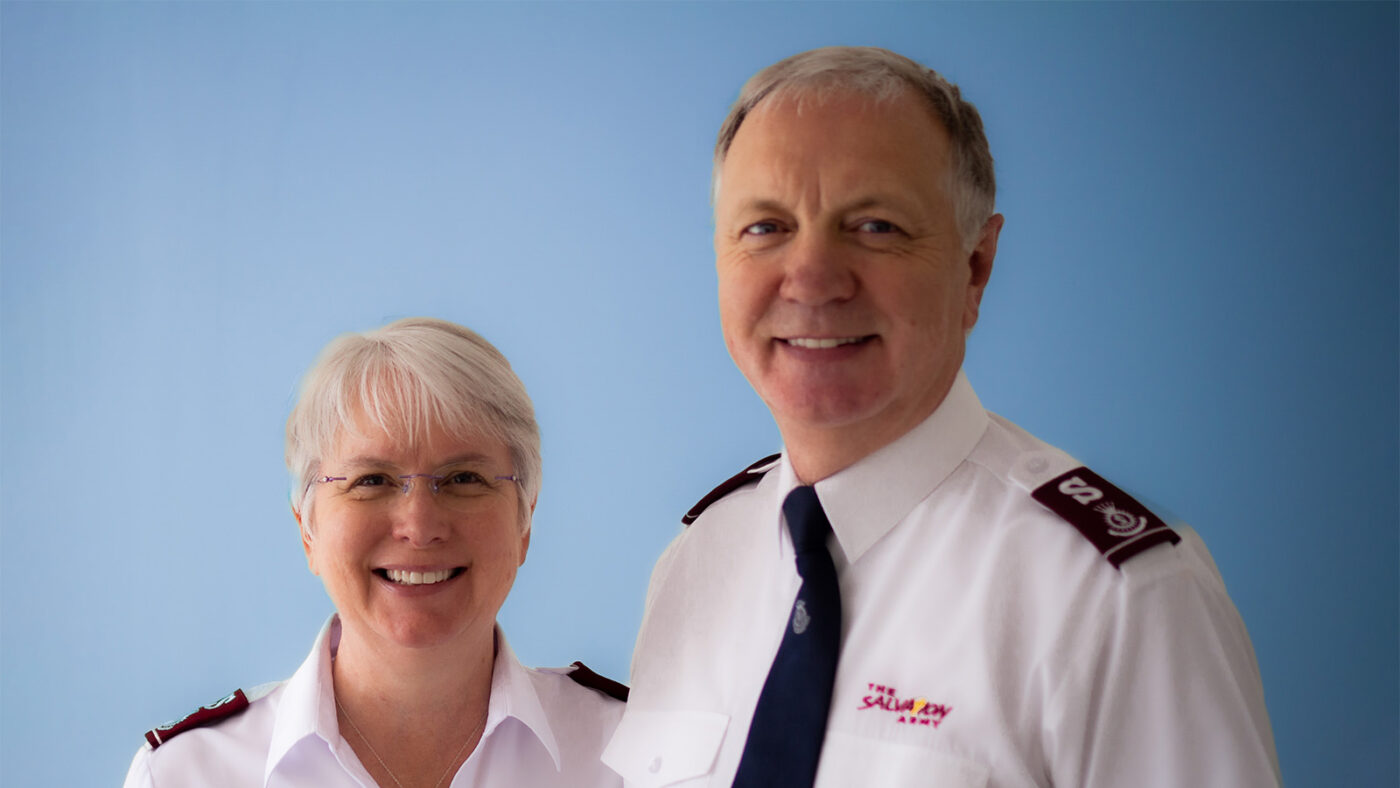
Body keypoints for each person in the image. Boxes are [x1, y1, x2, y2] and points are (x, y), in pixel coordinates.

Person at [603, 47, 1280, 787]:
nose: (814, 279)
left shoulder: (1114, 599)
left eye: (876, 226)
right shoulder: (697, 563)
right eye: (765, 227)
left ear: (976, 265)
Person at [124, 317, 625, 787]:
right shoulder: (186, 774)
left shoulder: (635, 752)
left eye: (464, 479)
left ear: (525, 521)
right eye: (372, 481)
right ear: (308, 530)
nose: (420, 527)